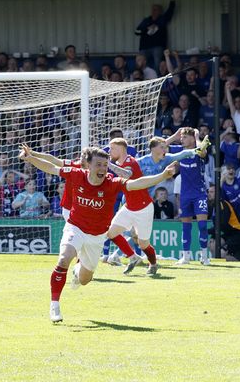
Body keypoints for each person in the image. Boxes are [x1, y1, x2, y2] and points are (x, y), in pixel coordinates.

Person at [18, 144, 177, 322]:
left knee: (85, 279)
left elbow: (137, 183)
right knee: (64, 259)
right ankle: (55, 305)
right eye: (99, 164)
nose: (102, 168)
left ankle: (79, 272)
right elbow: (52, 167)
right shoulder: (76, 173)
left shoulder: (113, 182)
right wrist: (30, 158)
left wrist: (163, 176)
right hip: (75, 227)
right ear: (88, 165)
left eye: (105, 164)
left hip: (96, 237)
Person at [109, 137, 207, 275]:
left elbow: (126, 174)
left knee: (143, 243)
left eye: (112, 148)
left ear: (121, 149)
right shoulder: (141, 161)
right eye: (162, 147)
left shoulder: (130, 162)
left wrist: (198, 149)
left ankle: (153, 264)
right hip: (129, 204)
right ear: (153, 148)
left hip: (144, 207)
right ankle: (132, 257)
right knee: (111, 233)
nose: (109, 151)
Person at [170, 128, 211, 265]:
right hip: (185, 195)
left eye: (185, 137)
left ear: (192, 139)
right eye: (181, 137)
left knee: (202, 225)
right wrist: (174, 136)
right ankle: (186, 257)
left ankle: (204, 256)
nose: (182, 139)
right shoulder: (179, 151)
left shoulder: (198, 150)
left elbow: (203, 152)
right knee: (186, 226)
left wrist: (198, 137)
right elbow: (162, 146)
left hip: (199, 194)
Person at [134, 0, 176, 68]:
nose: (154, 11)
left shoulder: (162, 19)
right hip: (144, 47)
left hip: (158, 46)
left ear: (160, 11)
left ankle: (158, 78)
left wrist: (172, 3)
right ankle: (140, 77)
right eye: (153, 9)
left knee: (158, 64)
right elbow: (136, 32)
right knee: (140, 64)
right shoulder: (146, 20)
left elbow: (169, 13)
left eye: (156, 10)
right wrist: (146, 29)